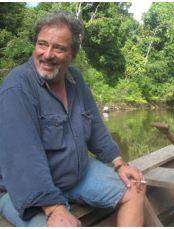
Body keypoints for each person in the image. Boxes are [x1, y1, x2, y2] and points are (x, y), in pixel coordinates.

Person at [0, 11, 145, 227]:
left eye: (59, 48)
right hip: (24, 189)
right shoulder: (17, 88)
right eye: (42, 44)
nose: (47, 54)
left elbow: (95, 126)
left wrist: (118, 163)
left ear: (72, 55)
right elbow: (23, 159)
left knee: (135, 187)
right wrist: (54, 208)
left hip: (75, 176)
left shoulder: (75, 79)